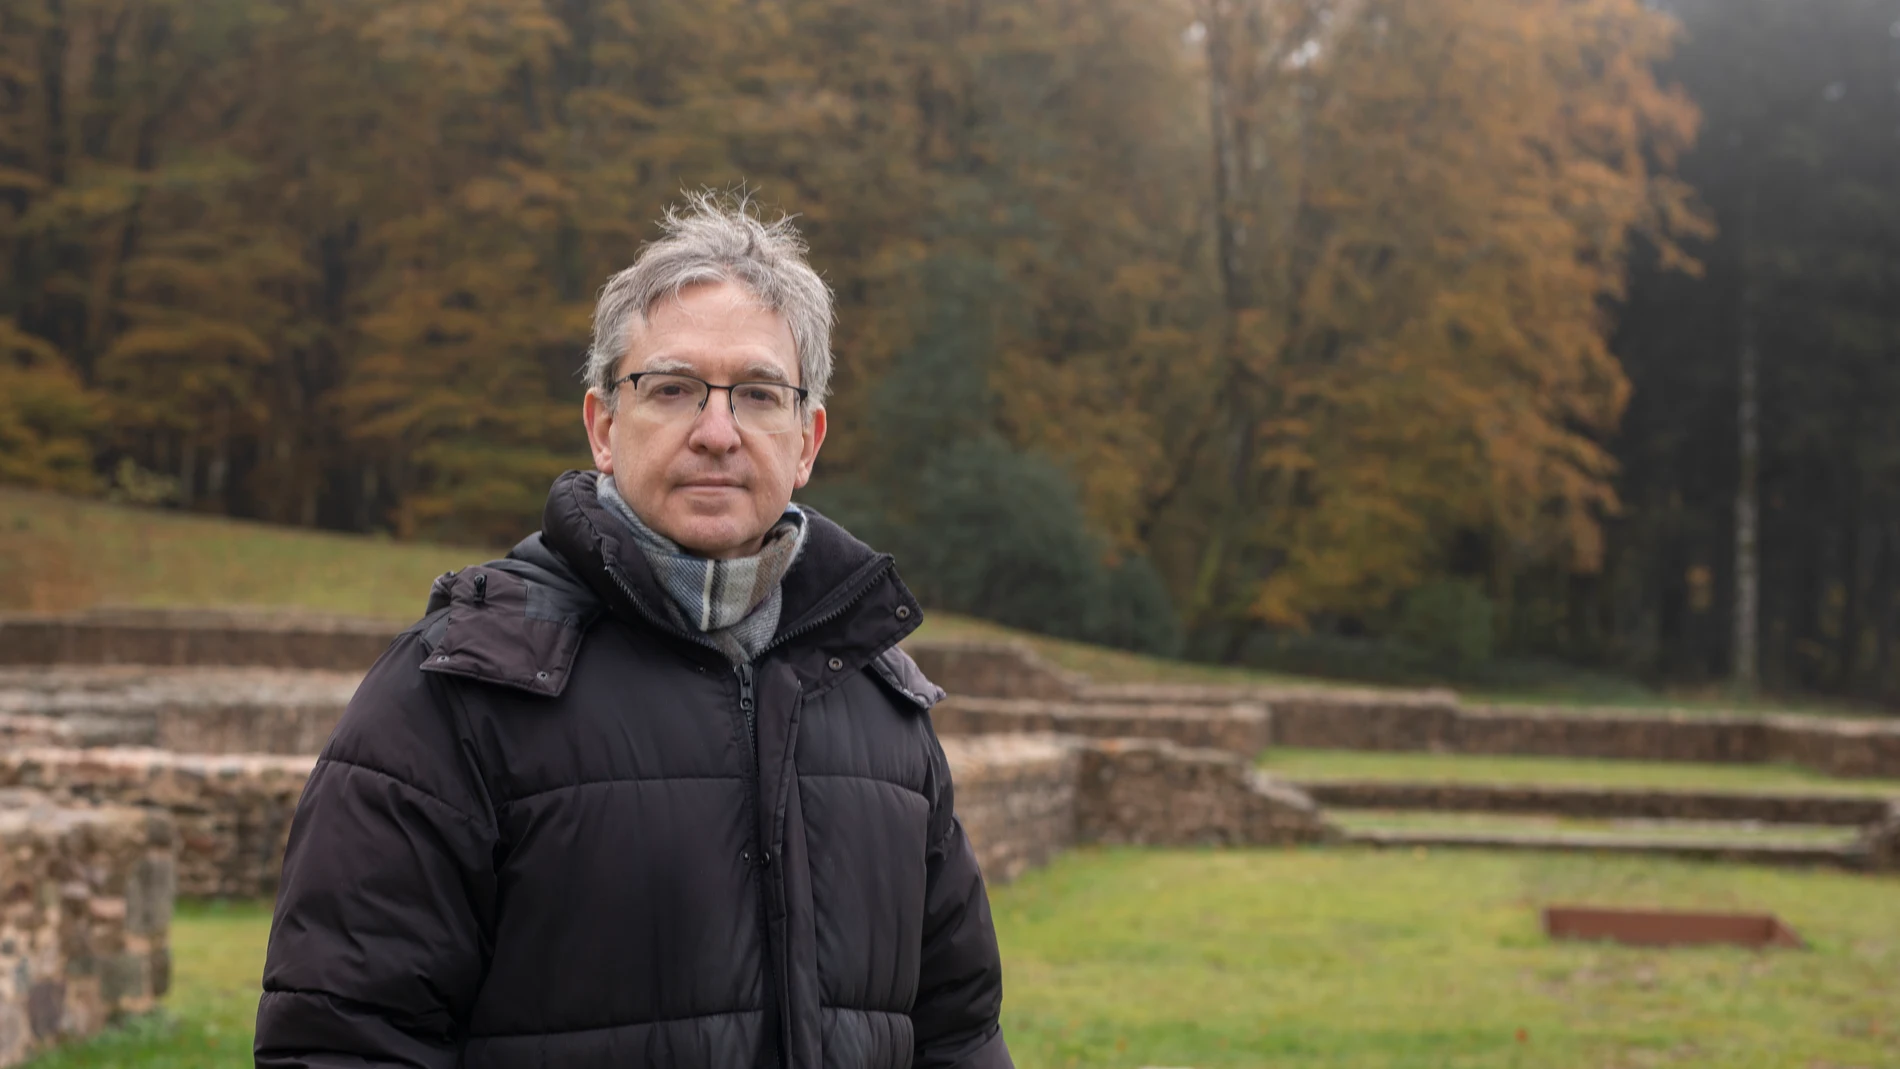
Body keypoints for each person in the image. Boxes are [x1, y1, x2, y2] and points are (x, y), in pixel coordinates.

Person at [254, 193, 1011, 1069]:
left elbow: (959, 1035)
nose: (717, 432)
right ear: (604, 425)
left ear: (807, 439)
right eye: (674, 388)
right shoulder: (458, 689)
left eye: (759, 393)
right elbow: (345, 1041)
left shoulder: (881, 703)